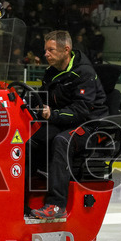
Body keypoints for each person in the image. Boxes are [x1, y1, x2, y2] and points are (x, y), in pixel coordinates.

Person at [27, 30, 109, 220]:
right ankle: (21, 197)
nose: (46, 54)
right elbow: (44, 97)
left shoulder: (83, 73)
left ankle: (56, 205)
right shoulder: (52, 72)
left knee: (62, 141)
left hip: (90, 125)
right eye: (45, 50)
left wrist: (52, 114)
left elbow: (81, 110)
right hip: (63, 121)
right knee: (32, 141)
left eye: (51, 50)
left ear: (66, 50)